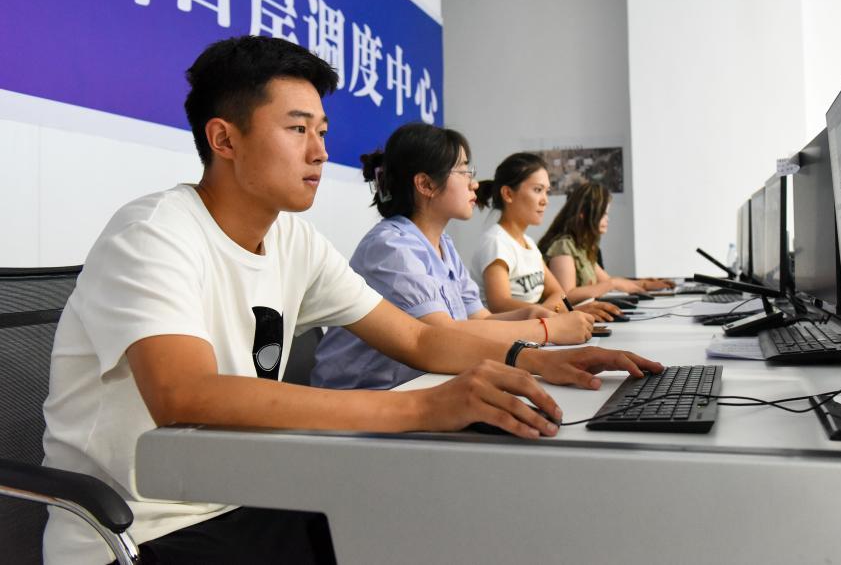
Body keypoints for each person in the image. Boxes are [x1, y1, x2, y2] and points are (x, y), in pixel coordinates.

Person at [40, 36, 663, 564]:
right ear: (224, 139)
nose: (319, 151)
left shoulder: (294, 241)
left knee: (448, 527)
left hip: (244, 493)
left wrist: (534, 356)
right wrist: (423, 408)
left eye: (321, 131)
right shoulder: (153, 234)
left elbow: (418, 338)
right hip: (137, 531)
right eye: (297, 129)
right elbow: (185, 395)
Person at [312, 123, 595, 391]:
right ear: (425, 184)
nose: (474, 184)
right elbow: (444, 336)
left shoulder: (443, 245)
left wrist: (529, 314)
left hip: (417, 387)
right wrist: (545, 329)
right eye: (463, 171)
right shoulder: (391, 247)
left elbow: (481, 318)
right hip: (365, 396)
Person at [470, 154, 622, 321]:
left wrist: (555, 312)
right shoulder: (496, 243)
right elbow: (500, 304)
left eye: (546, 192)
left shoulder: (528, 243)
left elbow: (558, 293)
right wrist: (557, 313)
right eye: (537, 190)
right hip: (508, 334)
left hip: (535, 327)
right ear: (508, 194)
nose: (545, 201)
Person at [539, 182, 673, 303]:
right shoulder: (563, 247)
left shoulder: (581, 248)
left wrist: (645, 284)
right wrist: (612, 284)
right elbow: (566, 296)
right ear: (583, 214)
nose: (607, 219)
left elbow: (608, 281)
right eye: (603, 214)